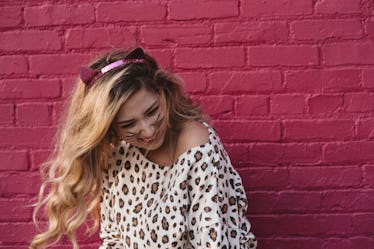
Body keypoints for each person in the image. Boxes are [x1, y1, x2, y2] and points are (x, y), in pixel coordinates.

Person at [30, 47, 257, 249]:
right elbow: (114, 240)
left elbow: (215, 241)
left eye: (151, 112)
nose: (148, 131)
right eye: (128, 124)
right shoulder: (118, 154)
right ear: (109, 128)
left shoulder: (197, 144)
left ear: (162, 93)